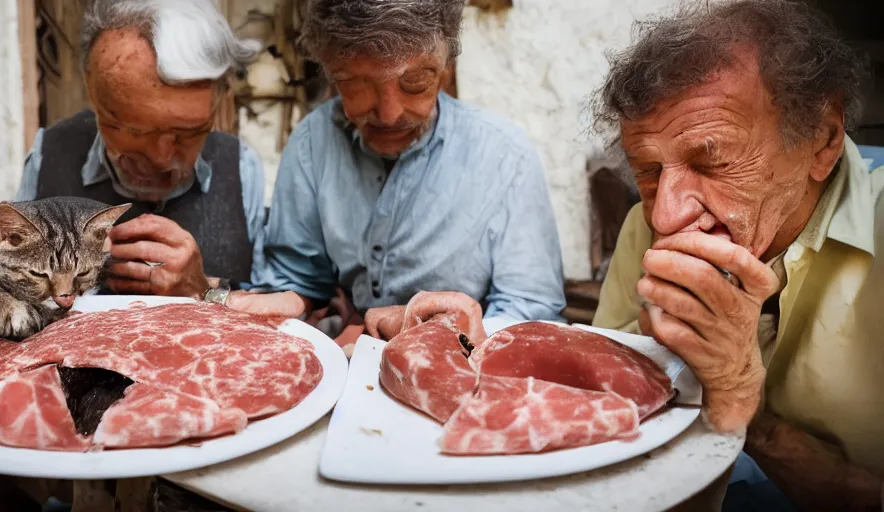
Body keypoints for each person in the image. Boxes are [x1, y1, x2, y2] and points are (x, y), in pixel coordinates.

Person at [591, 1, 883, 510]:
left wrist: (738, 395)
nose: (666, 217)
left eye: (712, 160)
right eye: (650, 171)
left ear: (824, 139)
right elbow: (605, 422)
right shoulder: (646, 224)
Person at [250, 0, 566, 343]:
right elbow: (298, 278)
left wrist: (438, 331)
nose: (389, 114)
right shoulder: (313, 142)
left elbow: (532, 312)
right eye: (356, 84)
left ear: (445, 68)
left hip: (463, 368)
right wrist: (285, 301)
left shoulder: (505, 157)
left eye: (414, 82)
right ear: (331, 72)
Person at [0, 0, 302, 314]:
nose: (161, 158)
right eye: (134, 130)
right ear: (93, 94)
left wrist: (204, 289)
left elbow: (274, 307)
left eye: (188, 133)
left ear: (219, 102)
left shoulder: (239, 166)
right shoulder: (52, 153)